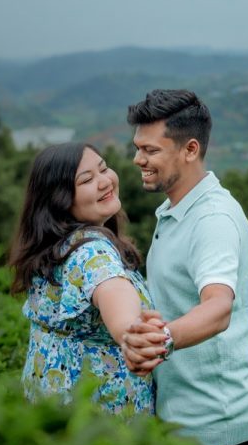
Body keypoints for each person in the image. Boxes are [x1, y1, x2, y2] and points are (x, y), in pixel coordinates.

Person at [122, 89, 248, 445]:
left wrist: (159, 341)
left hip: (215, 428)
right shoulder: (176, 209)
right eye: (137, 148)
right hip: (185, 418)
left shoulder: (212, 220)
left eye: (150, 150)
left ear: (190, 149)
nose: (138, 160)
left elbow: (219, 307)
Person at [9, 141, 157, 414]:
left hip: (48, 406)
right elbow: (115, 296)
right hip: (97, 419)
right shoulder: (92, 252)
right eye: (87, 179)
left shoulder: (54, 247)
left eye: (103, 169)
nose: (104, 181)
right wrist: (134, 334)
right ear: (60, 199)